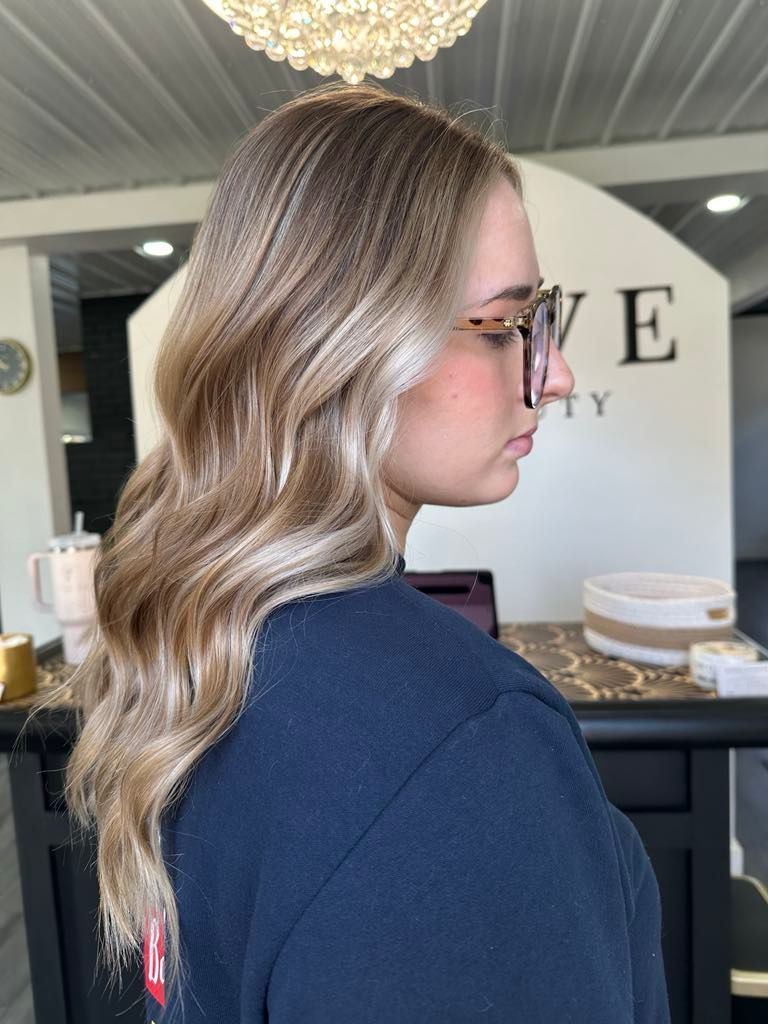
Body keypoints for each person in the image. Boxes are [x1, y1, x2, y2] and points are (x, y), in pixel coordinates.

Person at [44, 80, 671, 1022]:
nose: (555, 373)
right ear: (342, 345)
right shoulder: (463, 748)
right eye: (506, 325)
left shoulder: (215, 646)